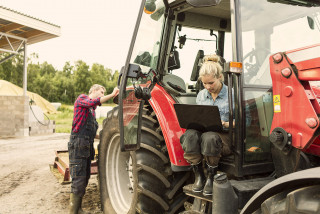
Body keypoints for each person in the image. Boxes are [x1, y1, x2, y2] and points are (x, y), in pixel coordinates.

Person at [180, 54, 233, 196]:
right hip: (204, 134)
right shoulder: (201, 95)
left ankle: (211, 176)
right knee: (190, 135)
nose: (208, 87)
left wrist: (227, 123)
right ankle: (199, 175)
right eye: (204, 83)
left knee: (209, 137)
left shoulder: (232, 95)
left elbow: (245, 121)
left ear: (220, 77)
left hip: (224, 136)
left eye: (211, 83)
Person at [68, 84, 119, 214]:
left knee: (85, 178)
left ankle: (78, 209)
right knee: (78, 178)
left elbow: (91, 133)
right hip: (78, 146)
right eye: (101, 92)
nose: (102, 95)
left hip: (86, 146)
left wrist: (105, 136)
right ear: (94, 90)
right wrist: (112, 95)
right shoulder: (82, 99)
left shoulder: (92, 111)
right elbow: (94, 101)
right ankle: (73, 211)